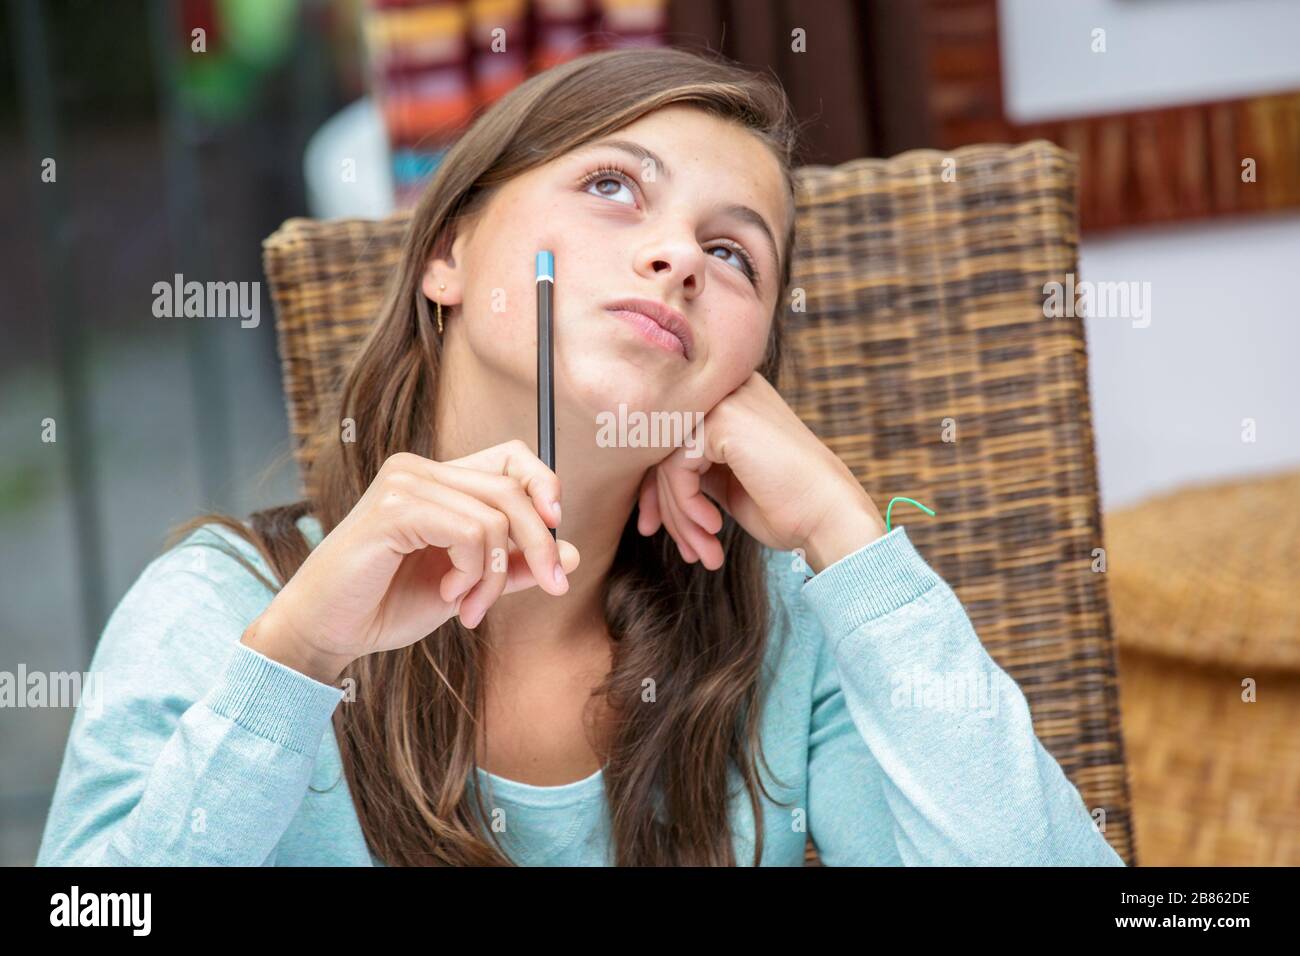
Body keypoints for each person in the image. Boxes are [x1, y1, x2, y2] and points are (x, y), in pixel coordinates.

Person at [37, 46, 1125, 867]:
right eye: (613, 186)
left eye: (731, 252)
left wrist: (848, 535)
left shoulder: (794, 635)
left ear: (743, 373)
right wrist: (295, 659)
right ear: (450, 252)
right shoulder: (220, 612)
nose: (676, 258)